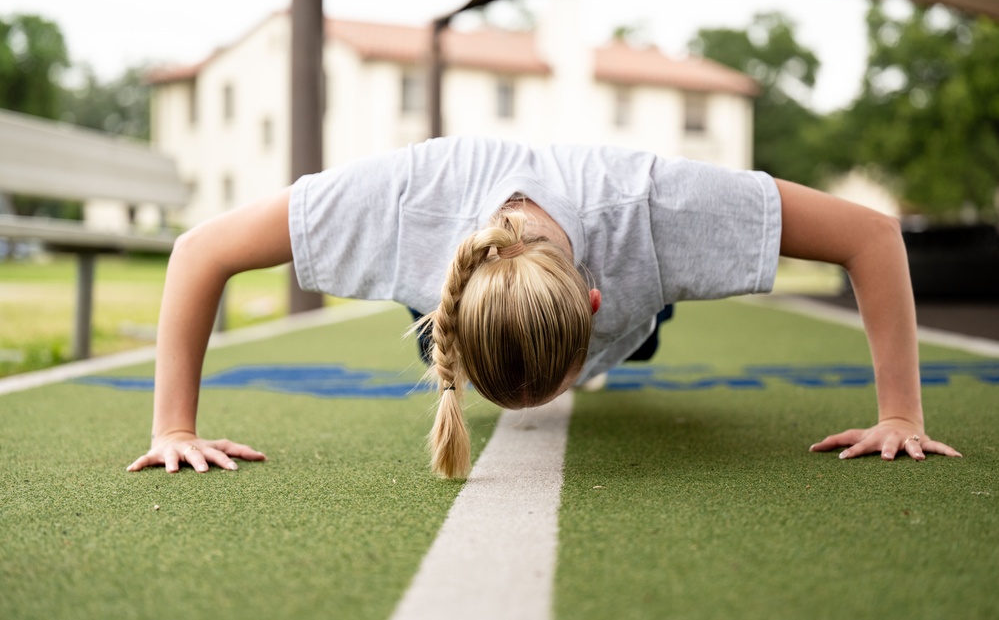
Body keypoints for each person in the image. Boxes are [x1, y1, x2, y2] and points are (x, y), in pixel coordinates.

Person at [126, 136, 961, 479]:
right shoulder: (394, 205)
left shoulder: (660, 207)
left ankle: (637, 325)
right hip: (446, 284)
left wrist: (900, 413)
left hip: (636, 297)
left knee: (651, 323)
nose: (528, 415)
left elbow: (872, 236)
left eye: (547, 387)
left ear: (594, 305)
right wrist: (173, 428)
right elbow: (199, 251)